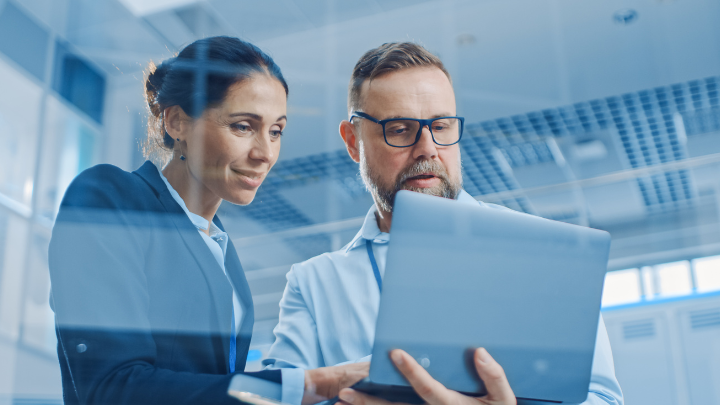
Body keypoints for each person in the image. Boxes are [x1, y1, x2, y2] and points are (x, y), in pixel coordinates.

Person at [263, 42, 624, 405]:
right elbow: (271, 398)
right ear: (353, 141)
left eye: (441, 125)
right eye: (401, 129)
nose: (427, 148)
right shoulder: (313, 284)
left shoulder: (544, 254)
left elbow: (603, 399)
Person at [48, 36, 366, 405]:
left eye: (276, 131)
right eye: (244, 126)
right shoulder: (110, 198)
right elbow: (112, 387)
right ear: (177, 121)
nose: (265, 153)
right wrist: (311, 385)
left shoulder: (222, 252)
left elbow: (213, 390)